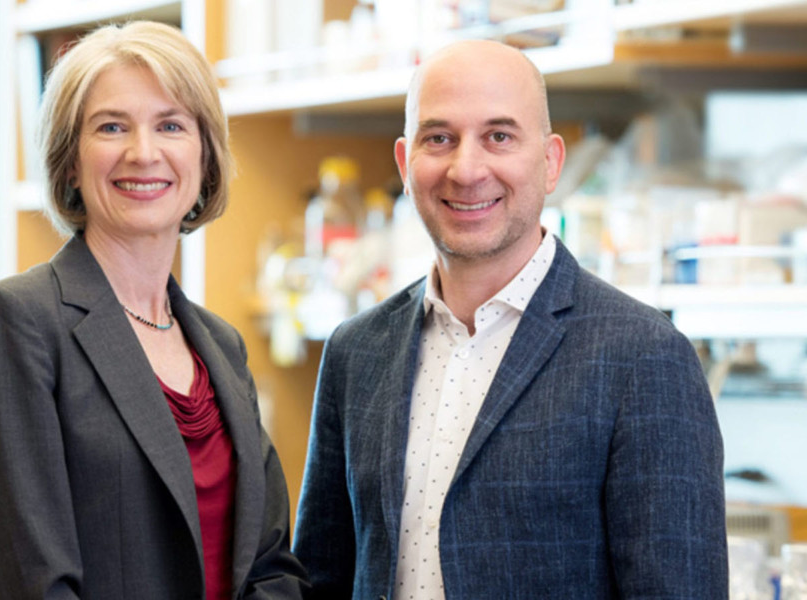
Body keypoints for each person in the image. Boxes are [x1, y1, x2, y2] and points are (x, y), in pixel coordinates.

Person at [293, 39, 728, 599]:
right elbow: (321, 578)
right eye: (439, 138)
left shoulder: (644, 357)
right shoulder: (357, 350)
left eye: (498, 136)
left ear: (550, 162)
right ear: (405, 163)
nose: (466, 168)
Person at [0, 21, 307, 600]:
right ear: (69, 160)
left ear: (204, 158)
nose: (144, 153)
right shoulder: (14, 323)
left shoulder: (222, 346)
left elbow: (270, 567)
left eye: (171, 125)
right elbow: (36, 586)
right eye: (112, 127)